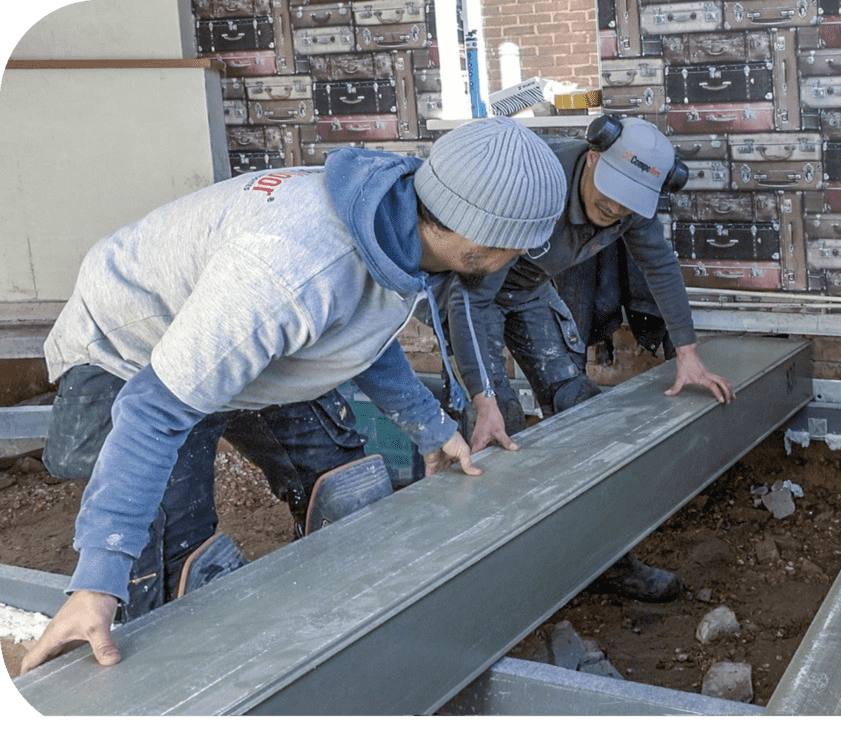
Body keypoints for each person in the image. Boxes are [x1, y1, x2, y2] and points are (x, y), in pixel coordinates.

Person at [19, 116, 567, 674]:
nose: (520, 259)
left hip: (239, 333)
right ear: (477, 235)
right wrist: (98, 576)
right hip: (136, 345)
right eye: (518, 248)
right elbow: (152, 410)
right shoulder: (291, 276)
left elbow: (361, 328)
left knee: (345, 485)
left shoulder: (392, 218)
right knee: (167, 567)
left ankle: (346, 638)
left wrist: (431, 427)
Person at [445, 115, 735, 601]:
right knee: (498, 429)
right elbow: (470, 298)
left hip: (529, 287)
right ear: (594, 155)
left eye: (628, 203)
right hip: (469, 288)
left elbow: (659, 265)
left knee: (580, 406)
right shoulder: (535, 185)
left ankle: (606, 561)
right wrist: (483, 395)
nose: (616, 208)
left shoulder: (629, 200)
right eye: (608, 195)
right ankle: (500, 581)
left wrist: (687, 353)